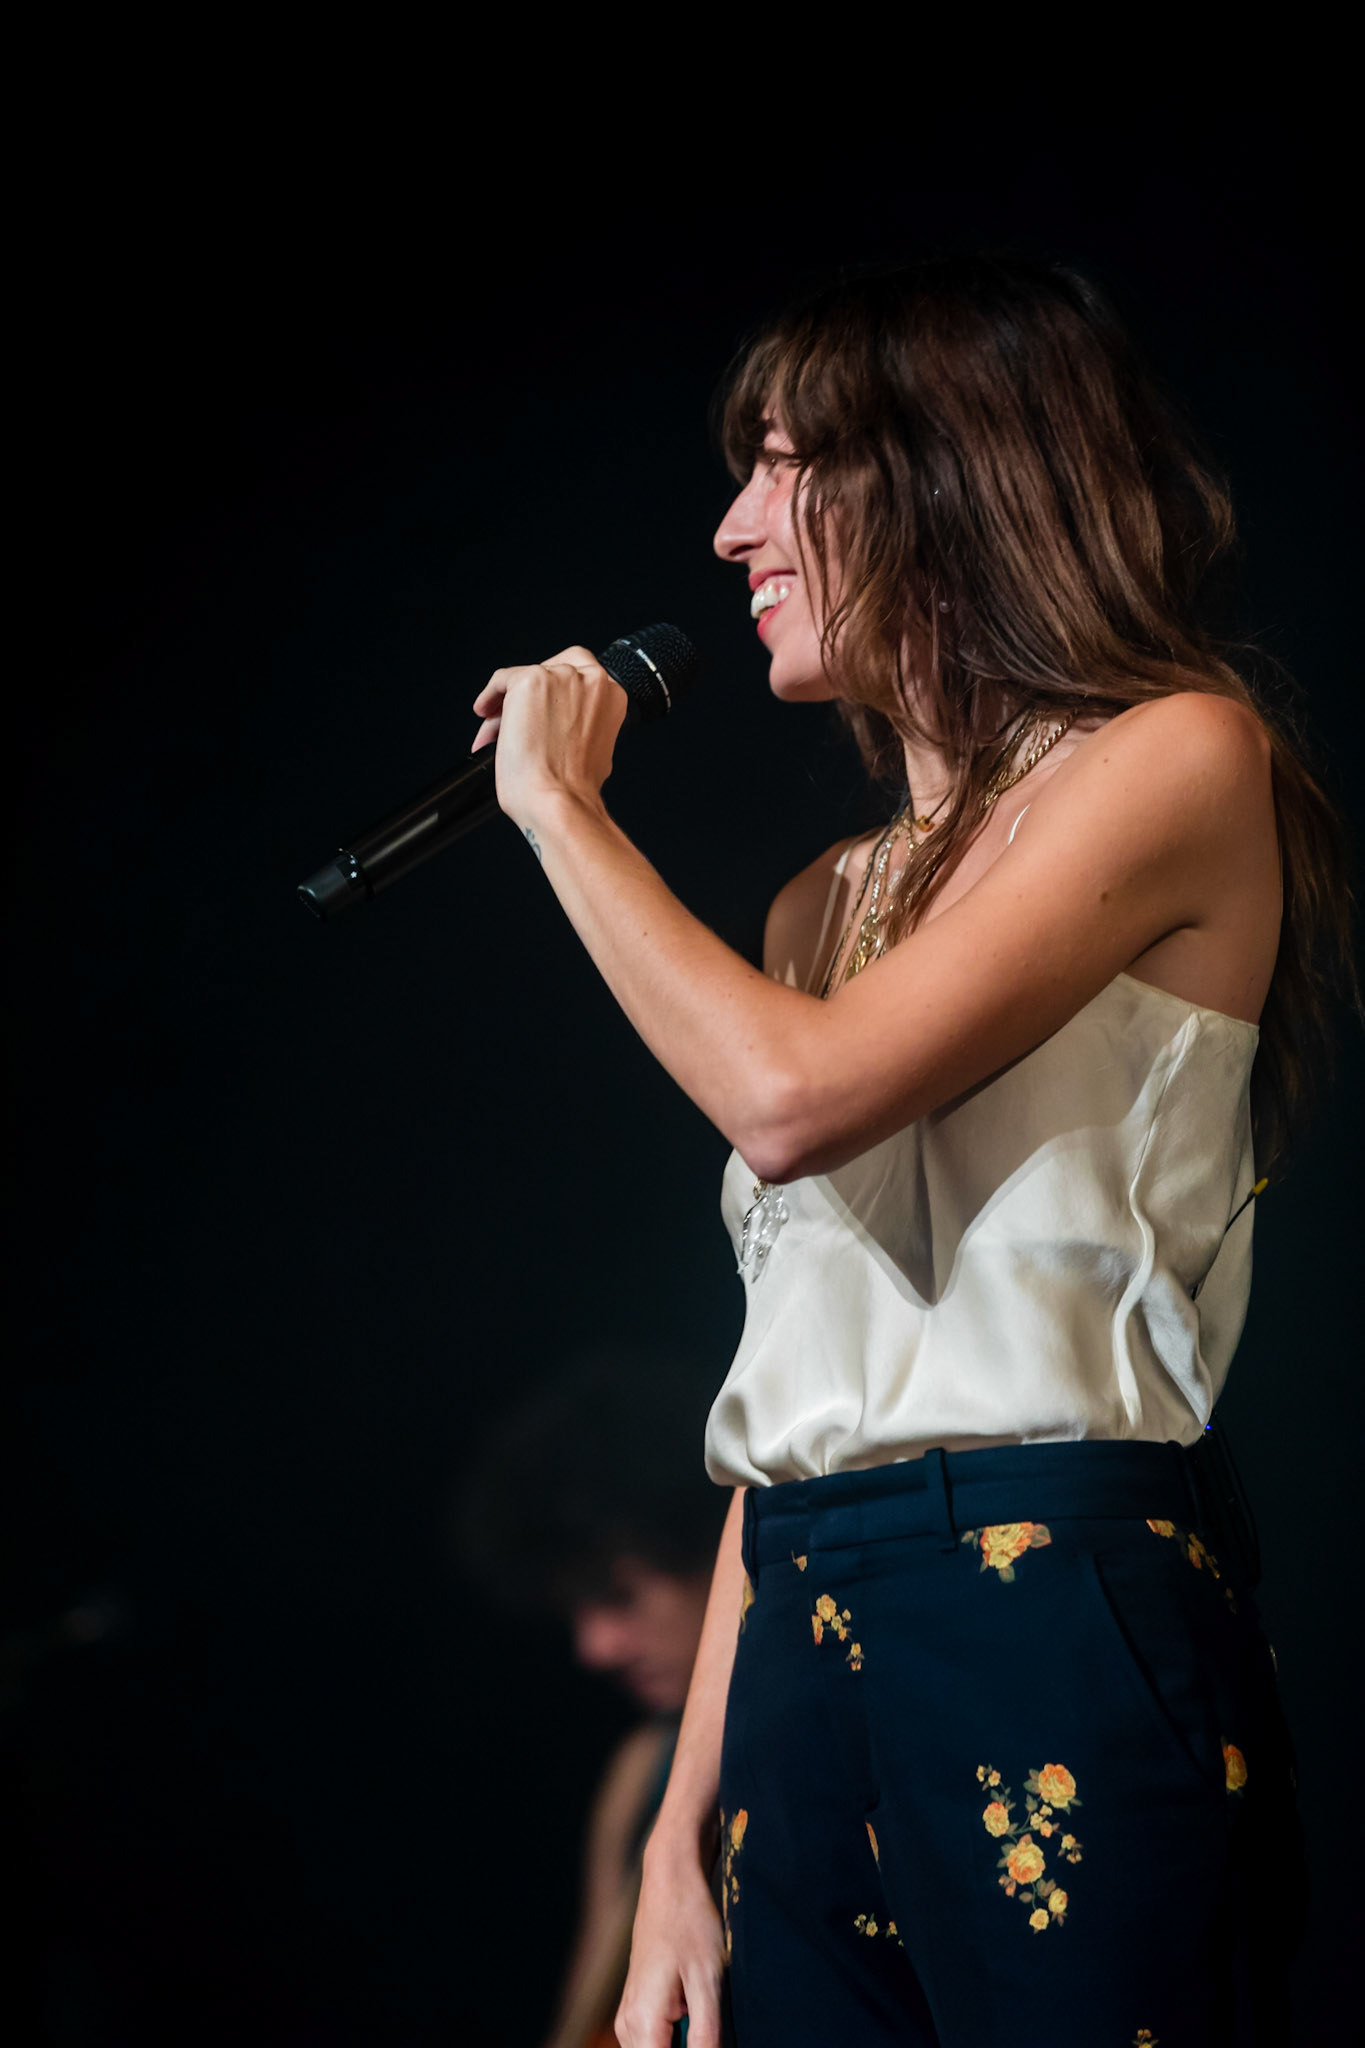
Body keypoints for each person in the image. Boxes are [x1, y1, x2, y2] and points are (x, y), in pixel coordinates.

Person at [467, 257, 1354, 2047]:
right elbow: (791, 1395)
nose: (732, 531)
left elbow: (795, 1095)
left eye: (783, 463)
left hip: (1045, 1588)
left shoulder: (1177, 755)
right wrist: (668, 1844)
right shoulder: (817, 900)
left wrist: (562, 808)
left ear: (948, 474)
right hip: (805, 1610)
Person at [456, 1354, 726, 2048]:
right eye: (575, 1609)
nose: (595, 1648)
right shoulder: (639, 1769)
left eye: (620, 1595)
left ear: (712, 1543)